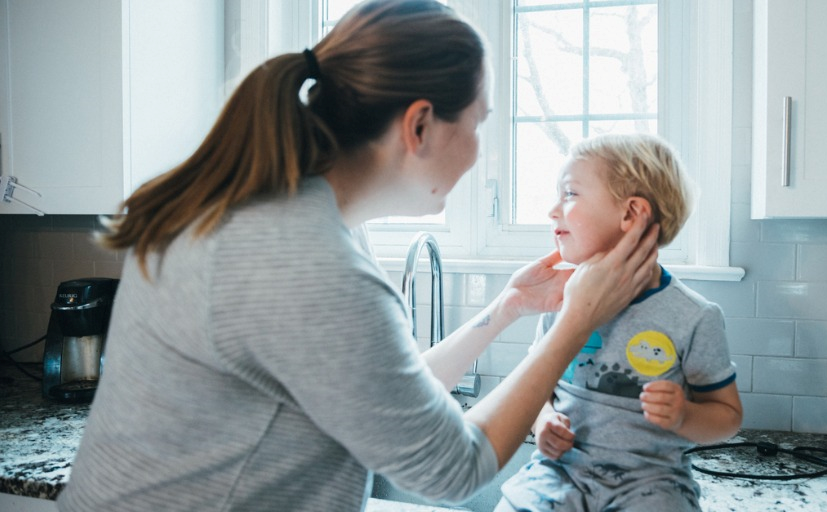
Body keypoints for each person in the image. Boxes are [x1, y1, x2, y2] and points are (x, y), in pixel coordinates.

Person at [56, 1, 660, 511]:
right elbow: (451, 468)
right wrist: (575, 322)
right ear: (419, 126)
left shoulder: (245, 211)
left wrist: (504, 311)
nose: (479, 153)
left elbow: (378, 400)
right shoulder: (313, 265)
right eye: (477, 124)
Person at [496, 134, 743, 512]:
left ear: (630, 214)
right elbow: (538, 390)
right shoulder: (561, 300)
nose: (552, 211)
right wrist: (543, 422)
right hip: (560, 473)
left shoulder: (694, 316)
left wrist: (685, 415)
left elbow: (727, 416)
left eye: (570, 194)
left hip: (652, 485)